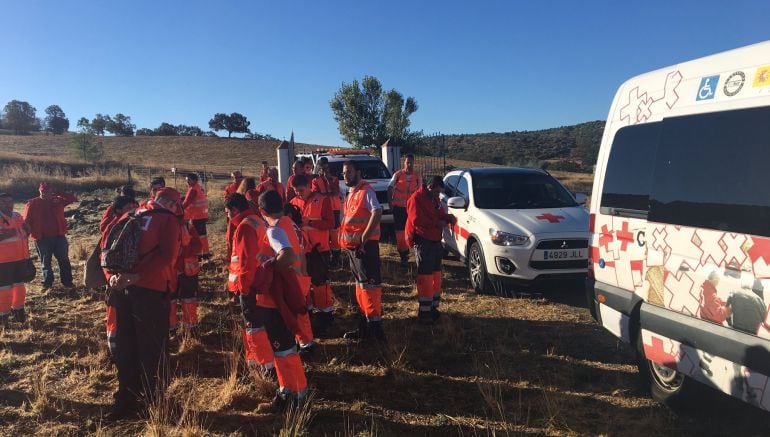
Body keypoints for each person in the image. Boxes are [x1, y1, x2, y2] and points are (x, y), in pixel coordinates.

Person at [107, 187, 181, 419]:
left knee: (126, 347)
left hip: (120, 291)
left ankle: (126, 399)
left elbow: (106, 249)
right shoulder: (168, 220)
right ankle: (154, 401)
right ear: (171, 203)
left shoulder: (130, 215)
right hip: (150, 291)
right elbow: (168, 256)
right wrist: (138, 276)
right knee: (152, 349)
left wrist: (113, 278)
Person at [229, 192, 308, 407]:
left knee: (282, 348)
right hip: (283, 296)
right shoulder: (288, 224)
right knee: (286, 348)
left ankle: (292, 393)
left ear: (262, 211)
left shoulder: (273, 230)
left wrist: (268, 269)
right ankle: (294, 391)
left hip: (273, 300)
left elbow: (288, 255)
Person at [339, 160, 386, 342]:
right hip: (353, 249)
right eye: (344, 173)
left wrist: (364, 240)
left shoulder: (366, 191)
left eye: (349, 172)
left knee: (370, 286)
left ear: (358, 172)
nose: (345, 175)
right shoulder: (351, 192)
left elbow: (377, 211)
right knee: (360, 286)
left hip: (364, 249)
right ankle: (364, 326)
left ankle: (375, 330)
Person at [405, 176, 456, 323]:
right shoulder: (416, 199)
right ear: (431, 186)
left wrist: (448, 217)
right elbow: (417, 220)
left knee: (436, 275)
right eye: (437, 192)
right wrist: (437, 222)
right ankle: (424, 312)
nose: (438, 195)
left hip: (435, 242)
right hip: (423, 242)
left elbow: (438, 213)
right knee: (425, 277)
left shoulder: (434, 199)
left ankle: (433, 307)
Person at [291, 174, 336, 337]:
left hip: (319, 250)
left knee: (320, 284)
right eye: (295, 191)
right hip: (302, 252)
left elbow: (330, 223)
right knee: (304, 284)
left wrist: (310, 223)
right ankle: (308, 313)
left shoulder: (322, 200)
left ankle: (326, 315)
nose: (299, 194)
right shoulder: (293, 203)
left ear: (309, 186)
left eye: (301, 190)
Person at [102, 195, 139, 358]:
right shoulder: (113, 229)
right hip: (116, 282)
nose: (133, 210)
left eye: (134, 206)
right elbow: (104, 257)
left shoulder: (135, 225)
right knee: (114, 317)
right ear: (118, 211)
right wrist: (111, 278)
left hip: (132, 281)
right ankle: (115, 352)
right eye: (128, 207)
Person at [23, 182, 77, 289]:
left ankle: (67, 282)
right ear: (39, 191)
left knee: (64, 260)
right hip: (41, 237)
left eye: (47, 192)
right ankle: (47, 283)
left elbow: (72, 199)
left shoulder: (58, 200)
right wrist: (25, 236)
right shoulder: (32, 203)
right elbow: (26, 221)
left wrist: (59, 192)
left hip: (59, 236)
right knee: (45, 262)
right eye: (42, 192)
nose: (45, 194)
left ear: (52, 192)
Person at [0, 192, 32, 325]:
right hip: (4, 261)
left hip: (21, 258)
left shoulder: (17, 216)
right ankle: (3, 316)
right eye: (4, 202)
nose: (8, 204)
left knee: (19, 286)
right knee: (4, 288)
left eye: (10, 201)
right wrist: (5, 235)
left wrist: (28, 230)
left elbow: (24, 233)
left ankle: (18, 311)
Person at [170, 217, 203, 338]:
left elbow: (198, 245)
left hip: (186, 271)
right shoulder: (161, 226)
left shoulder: (188, 226)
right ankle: (171, 329)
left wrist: (182, 252)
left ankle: (191, 329)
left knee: (188, 299)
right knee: (170, 301)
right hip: (171, 273)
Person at [388, 154, 422, 264]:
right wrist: (390, 203)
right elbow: (389, 188)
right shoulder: (398, 175)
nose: (410, 165)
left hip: (412, 209)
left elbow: (421, 193)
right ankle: (403, 255)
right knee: (400, 232)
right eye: (408, 162)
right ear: (404, 163)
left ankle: (416, 253)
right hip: (399, 209)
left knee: (414, 231)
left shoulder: (417, 176)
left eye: (411, 162)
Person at [312, 158, 342, 266]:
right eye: (322, 168)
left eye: (326, 168)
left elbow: (336, 192)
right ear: (319, 169)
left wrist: (328, 181)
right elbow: (317, 195)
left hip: (335, 210)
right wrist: (328, 194)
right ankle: (325, 258)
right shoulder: (315, 181)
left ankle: (336, 260)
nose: (324, 170)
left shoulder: (334, 179)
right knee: (324, 235)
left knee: (335, 236)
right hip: (322, 210)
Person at [182, 173, 210, 258]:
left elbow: (187, 202)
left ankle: (199, 253)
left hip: (196, 216)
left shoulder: (193, 190)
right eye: (187, 180)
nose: (187, 182)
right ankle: (205, 253)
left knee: (196, 235)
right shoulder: (199, 188)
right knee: (202, 235)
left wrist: (178, 208)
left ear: (194, 180)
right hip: (202, 215)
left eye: (189, 180)